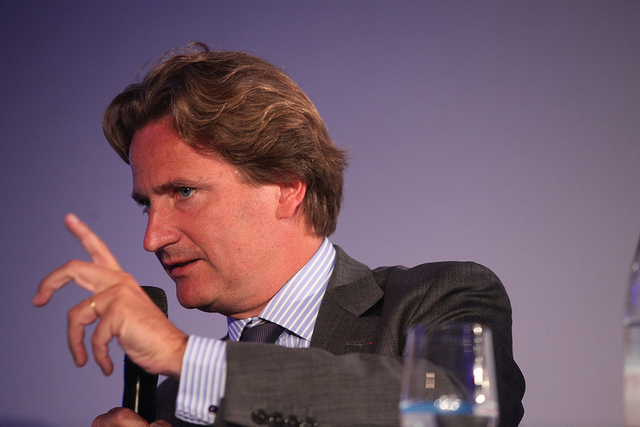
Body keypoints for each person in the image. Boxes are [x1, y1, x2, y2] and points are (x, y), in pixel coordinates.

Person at [34, 43, 525, 426]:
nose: (152, 238)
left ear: (288, 187)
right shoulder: (172, 400)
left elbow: (456, 407)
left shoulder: (439, 297)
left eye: (183, 191)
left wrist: (185, 355)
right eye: (147, 205)